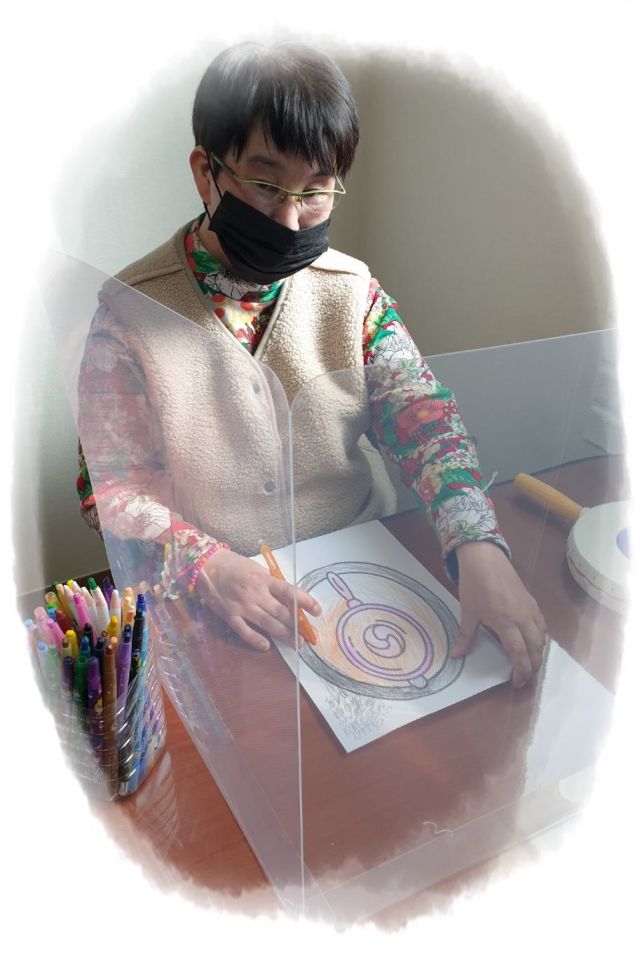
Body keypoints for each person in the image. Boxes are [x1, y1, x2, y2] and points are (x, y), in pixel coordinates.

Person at [77, 40, 546, 687]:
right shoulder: (129, 313)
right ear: (206, 172)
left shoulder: (353, 293)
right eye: (266, 186)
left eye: (318, 190)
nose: (293, 221)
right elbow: (109, 487)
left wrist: (477, 542)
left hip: (368, 563)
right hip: (225, 602)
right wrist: (206, 563)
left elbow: (424, 421)